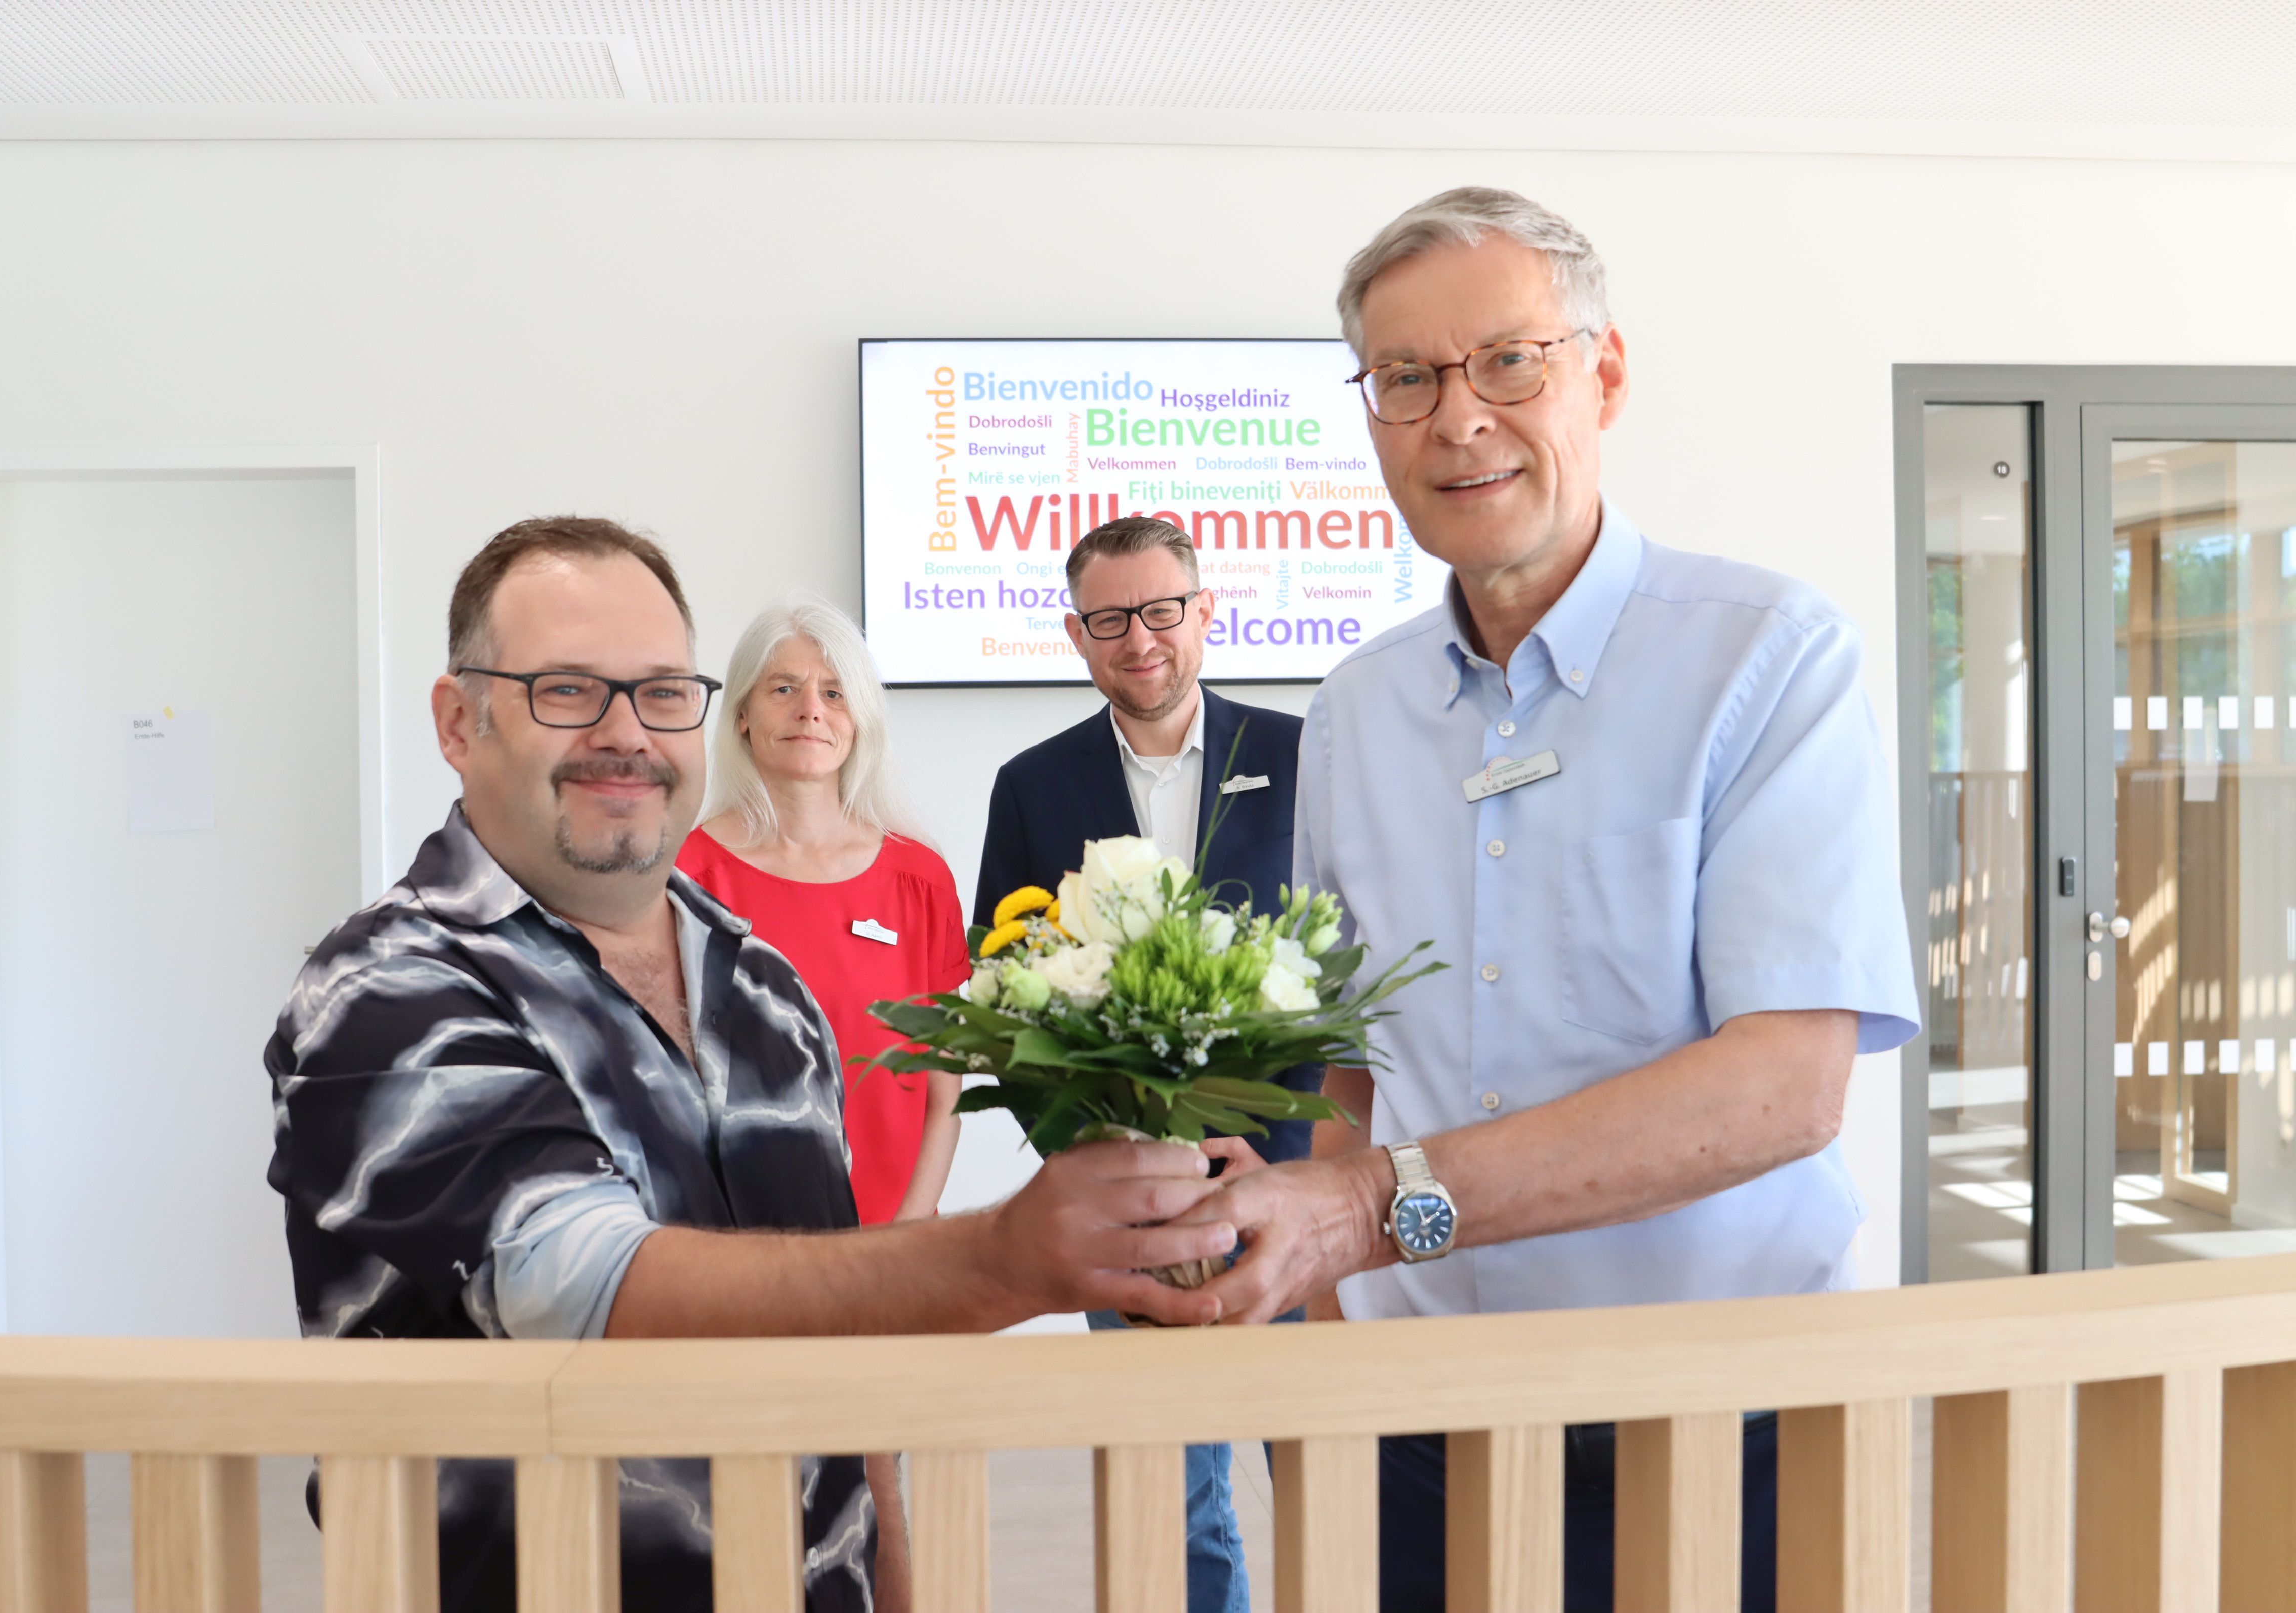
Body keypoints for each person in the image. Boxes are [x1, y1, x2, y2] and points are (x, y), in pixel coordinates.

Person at [265, 517, 1239, 1613]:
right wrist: (999, 1257)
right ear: (459, 720)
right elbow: (582, 1286)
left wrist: (894, 1580)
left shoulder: (765, 989)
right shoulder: (384, 990)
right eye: (566, 690)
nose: (625, 734)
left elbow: (842, 1358)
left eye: (660, 693)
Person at [1172, 189, 1921, 1612]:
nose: (1458, 418)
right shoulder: (1353, 712)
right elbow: (1350, 1062)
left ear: (1604, 373)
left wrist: (1373, 1210)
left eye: (1508, 361)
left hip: (1721, 1429)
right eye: (1406, 377)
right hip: (1416, 1435)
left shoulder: (1770, 659)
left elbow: (1784, 1090)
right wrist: (1326, 1308)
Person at [975, 515, 1308, 1613]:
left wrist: (1293, 1157)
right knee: (1169, 1486)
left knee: (1320, 1466)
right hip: (1128, 1200)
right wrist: (1098, 1161)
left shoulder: (1304, 756)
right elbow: (1003, 997)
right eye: (1111, 619)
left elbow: (1348, 969)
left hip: (1289, 1184)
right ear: (1078, 635)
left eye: (1162, 610)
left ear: (1205, 612)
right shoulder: (1033, 786)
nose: (1141, 640)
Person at [678, 596, 965, 1225]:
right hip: (736, 1244)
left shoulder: (919, 879)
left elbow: (945, 1091)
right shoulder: (686, 877)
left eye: (835, 693)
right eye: (784, 687)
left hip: (899, 1240)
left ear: (859, 719)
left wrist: (906, 1235)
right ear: (743, 714)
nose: (811, 708)